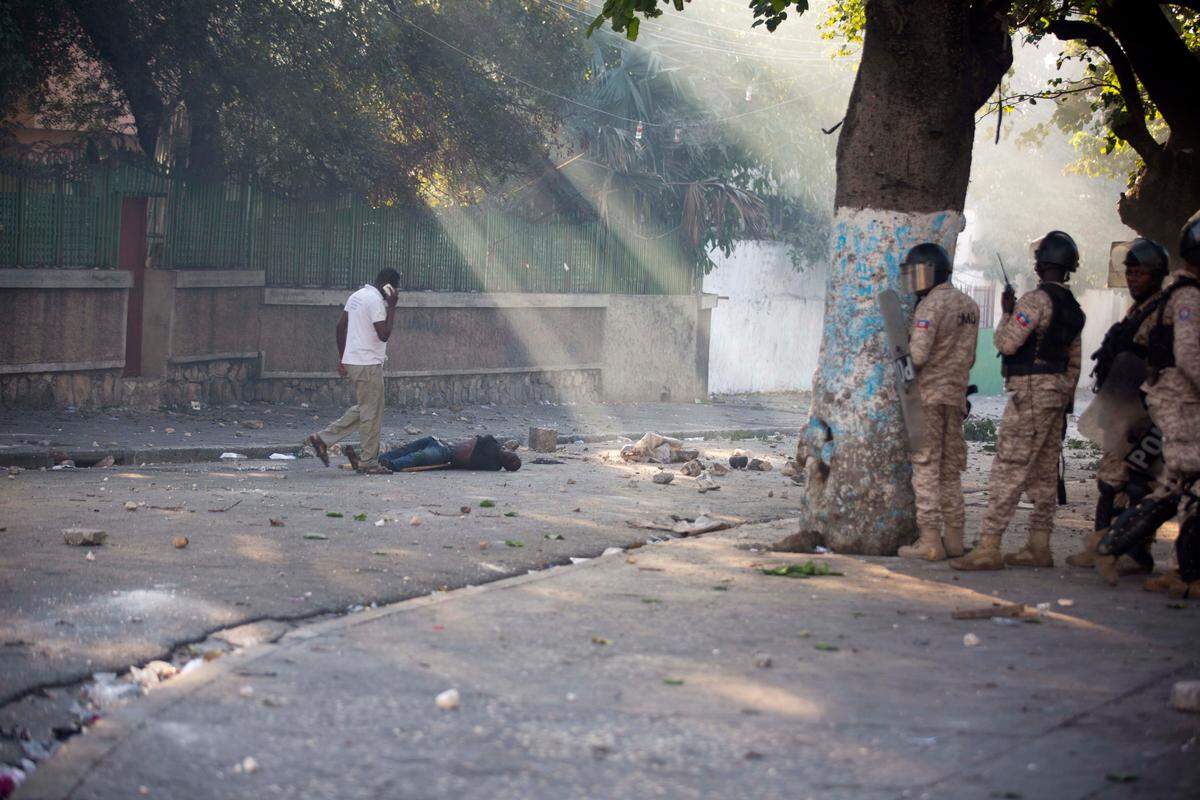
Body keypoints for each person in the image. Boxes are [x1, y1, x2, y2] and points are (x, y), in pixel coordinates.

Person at [952, 231, 1085, 571]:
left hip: (1028, 393)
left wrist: (1007, 314)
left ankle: (988, 546)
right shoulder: (1073, 308)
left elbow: (1007, 343)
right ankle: (1038, 546)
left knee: (1008, 468)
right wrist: (1063, 399)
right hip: (1055, 397)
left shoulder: (1034, 301)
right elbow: (1075, 363)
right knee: (1043, 474)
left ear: (1041, 264)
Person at [1067, 239, 1169, 572]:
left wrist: (1151, 413)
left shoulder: (1163, 312)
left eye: (1141, 273)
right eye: (1131, 272)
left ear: (1157, 275)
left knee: (1141, 485)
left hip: (1147, 413)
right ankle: (1102, 544)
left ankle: (1137, 553)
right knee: (1110, 481)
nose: (1134, 279)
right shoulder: (1139, 310)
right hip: (1122, 409)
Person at [1128, 212, 1200, 597]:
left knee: (1180, 488)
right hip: (1182, 403)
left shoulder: (1179, 293)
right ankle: (1124, 547)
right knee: (1184, 486)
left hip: (1177, 400)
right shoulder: (1188, 297)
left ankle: (1180, 568)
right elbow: (1190, 357)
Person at [895, 243, 979, 560]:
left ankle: (930, 540)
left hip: (928, 399)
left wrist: (899, 357)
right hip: (956, 400)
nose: (913, 280)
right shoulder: (969, 305)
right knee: (950, 472)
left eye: (917, 273)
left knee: (927, 468)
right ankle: (955, 539)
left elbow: (916, 357)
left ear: (930, 272)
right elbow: (968, 359)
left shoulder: (930, 306)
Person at [305, 269, 400, 474]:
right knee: (371, 413)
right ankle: (369, 462)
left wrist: (342, 358)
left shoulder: (357, 296)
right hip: (368, 363)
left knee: (369, 407)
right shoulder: (376, 301)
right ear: (388, 286)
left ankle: (323, 439)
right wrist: (392, 307)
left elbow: (340, 327)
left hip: (355, 361)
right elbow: (384, 334)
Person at [345, 435, 521, 473]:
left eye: (510, 462)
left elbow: (482, 443)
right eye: (513, 456)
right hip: (441, 442)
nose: (509, 457)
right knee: (404, 450)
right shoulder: (494, 445)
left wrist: (502, 453)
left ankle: (386, 466)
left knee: (415, 458)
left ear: (506, 466)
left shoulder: (493, 465)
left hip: (446, 454)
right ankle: (368, 461)